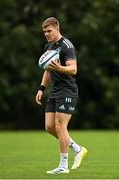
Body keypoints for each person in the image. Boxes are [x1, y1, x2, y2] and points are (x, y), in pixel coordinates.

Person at [36, 17, 87, 174]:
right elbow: (47, 69)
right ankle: (77, 149)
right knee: (50, 127)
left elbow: (73, 70)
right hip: (55, 90)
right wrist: (41, 88)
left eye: (49, 31)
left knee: (60, 126)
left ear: (57, 29)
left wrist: (59, 67)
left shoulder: (67, 46)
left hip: (67, 90)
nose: (46, 34)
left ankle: (63, 166)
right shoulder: (48, 46)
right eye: (44, 31)